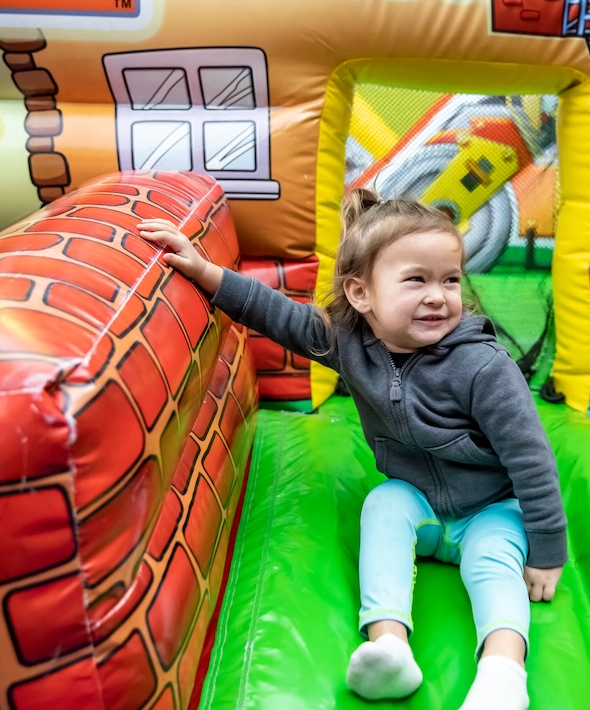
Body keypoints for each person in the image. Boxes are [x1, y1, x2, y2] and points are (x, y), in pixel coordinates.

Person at [138, 189, 566, 710]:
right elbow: (277, 315)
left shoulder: (484, 367)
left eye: (450, 280)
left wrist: (546, 551)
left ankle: (502, 672)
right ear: (361, 294)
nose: (439, 296)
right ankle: (389, 648)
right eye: (416, 280)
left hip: (491, 507)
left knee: (493, 563)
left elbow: (531, 458)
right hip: (419, 499)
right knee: (383, 505)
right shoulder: (349, 342)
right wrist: (205, 273)